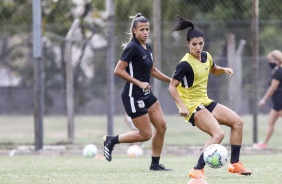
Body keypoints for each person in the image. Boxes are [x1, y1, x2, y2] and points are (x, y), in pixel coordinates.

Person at [168, 15, 252, 178]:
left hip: (205, 102)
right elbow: (172, 87)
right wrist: (182, 106)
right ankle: (197, 169)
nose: (198, 47)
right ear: (188, 44)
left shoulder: (206, 56)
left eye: (200, 43)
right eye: (194, 44)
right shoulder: (184, 64)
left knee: (237, 122)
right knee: (218, 134)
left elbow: (213, 69)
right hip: (192, 106)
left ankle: (235, 164)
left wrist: (224, 69)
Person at [102, 13, 171, 171]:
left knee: (161, 126)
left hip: (146, 95)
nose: (145, 32)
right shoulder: (132, 47)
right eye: (142, 29)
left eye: (147, 29)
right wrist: (139, 82)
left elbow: (152, 70)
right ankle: (111, 140)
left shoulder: (148, 47)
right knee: (145, 134)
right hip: (133, 95)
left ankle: (155, 164)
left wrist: (171, 80)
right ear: (134, 31)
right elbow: (118, 70)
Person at [253, 50, 282, 149]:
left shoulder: (278, 71)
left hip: (279, 101)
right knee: (270, 122)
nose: (270, 62)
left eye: (271, 60)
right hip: (277, 103)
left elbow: (273, 87)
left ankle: (264, 143)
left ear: (278, 59)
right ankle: (264, 143)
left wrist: (264, 99)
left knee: (271, 122)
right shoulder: (278, 70)